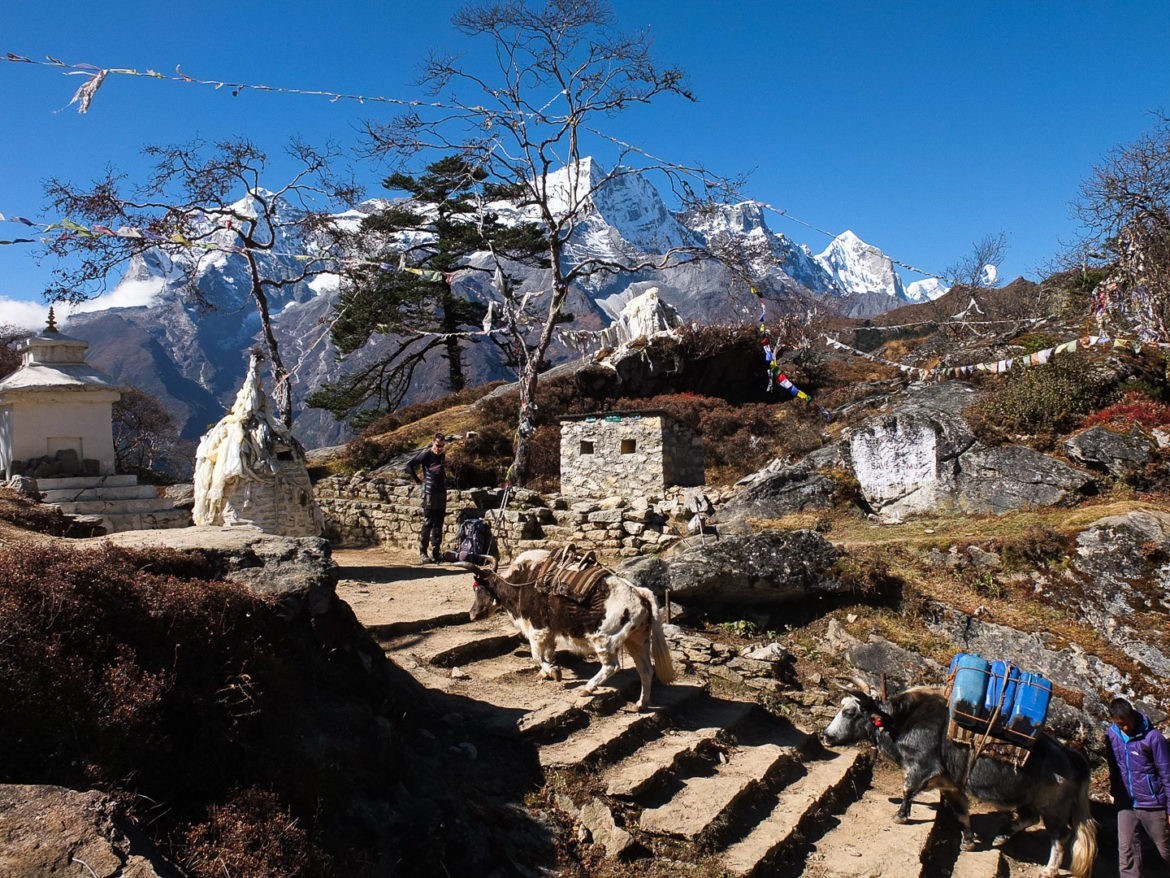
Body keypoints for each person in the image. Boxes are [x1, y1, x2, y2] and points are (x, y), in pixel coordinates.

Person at [1106, 697, 1170, 878]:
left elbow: (1167, 774)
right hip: (1126, 803)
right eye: (1120, 725)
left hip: (1153, 804)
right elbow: (1114, 765)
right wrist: (1115, 791)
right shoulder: (1111, 734)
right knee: (1126, 852)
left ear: (1133, 716)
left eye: (1126, 723)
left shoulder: (1153, 738)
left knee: (1165, 850)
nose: (1124, 728)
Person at [406, 433, 447, 564]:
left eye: (441, 446)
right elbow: (409, 465)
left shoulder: (442, 456)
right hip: (430, 492)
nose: (439, 448)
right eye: (437, 445)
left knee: (439, 522)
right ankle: (423, 552)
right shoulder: (426, 455)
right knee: (428, 521)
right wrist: (417, 480)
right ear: (432, 442)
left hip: (441, 492)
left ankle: (436, 552)